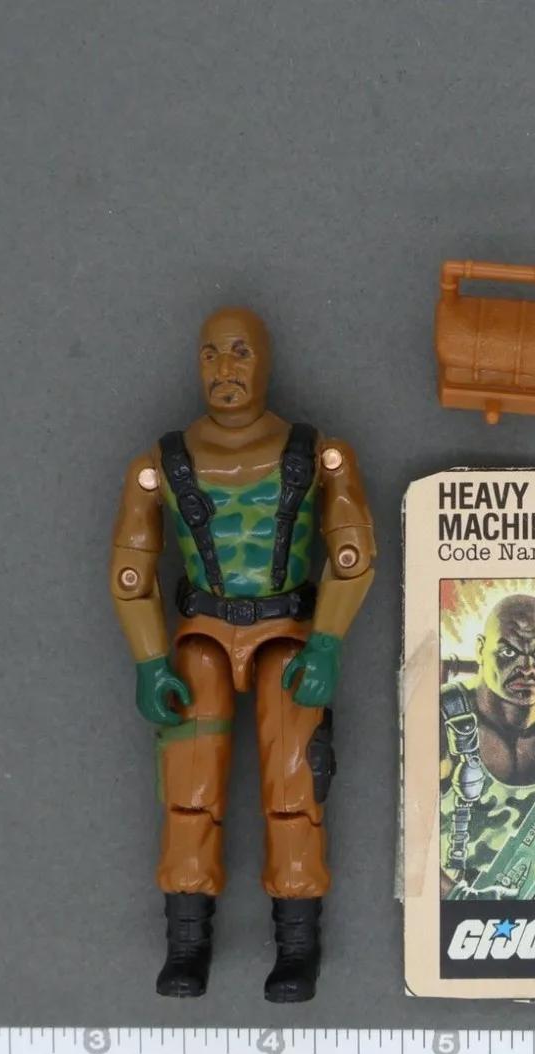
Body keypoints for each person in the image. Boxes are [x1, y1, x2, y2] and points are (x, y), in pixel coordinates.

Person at [108, 307, 375, 1002]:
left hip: (287, 632)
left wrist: (327, 642)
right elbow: (132, 570)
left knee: (295, 788)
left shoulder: (316, 454)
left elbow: (352, 555)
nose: (224, 370)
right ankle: (186, 943)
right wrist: (148, 660)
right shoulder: (161, 463)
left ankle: (297, 945)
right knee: (189, 789)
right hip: (201, 632)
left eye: (239, 353)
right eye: (210, 355)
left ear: (266, 361)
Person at [439, 594, 535, 897]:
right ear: (481, 649)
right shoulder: (441, 716)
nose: (527, 668)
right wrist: (458, 897)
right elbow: (402, 843)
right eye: (509, 651)